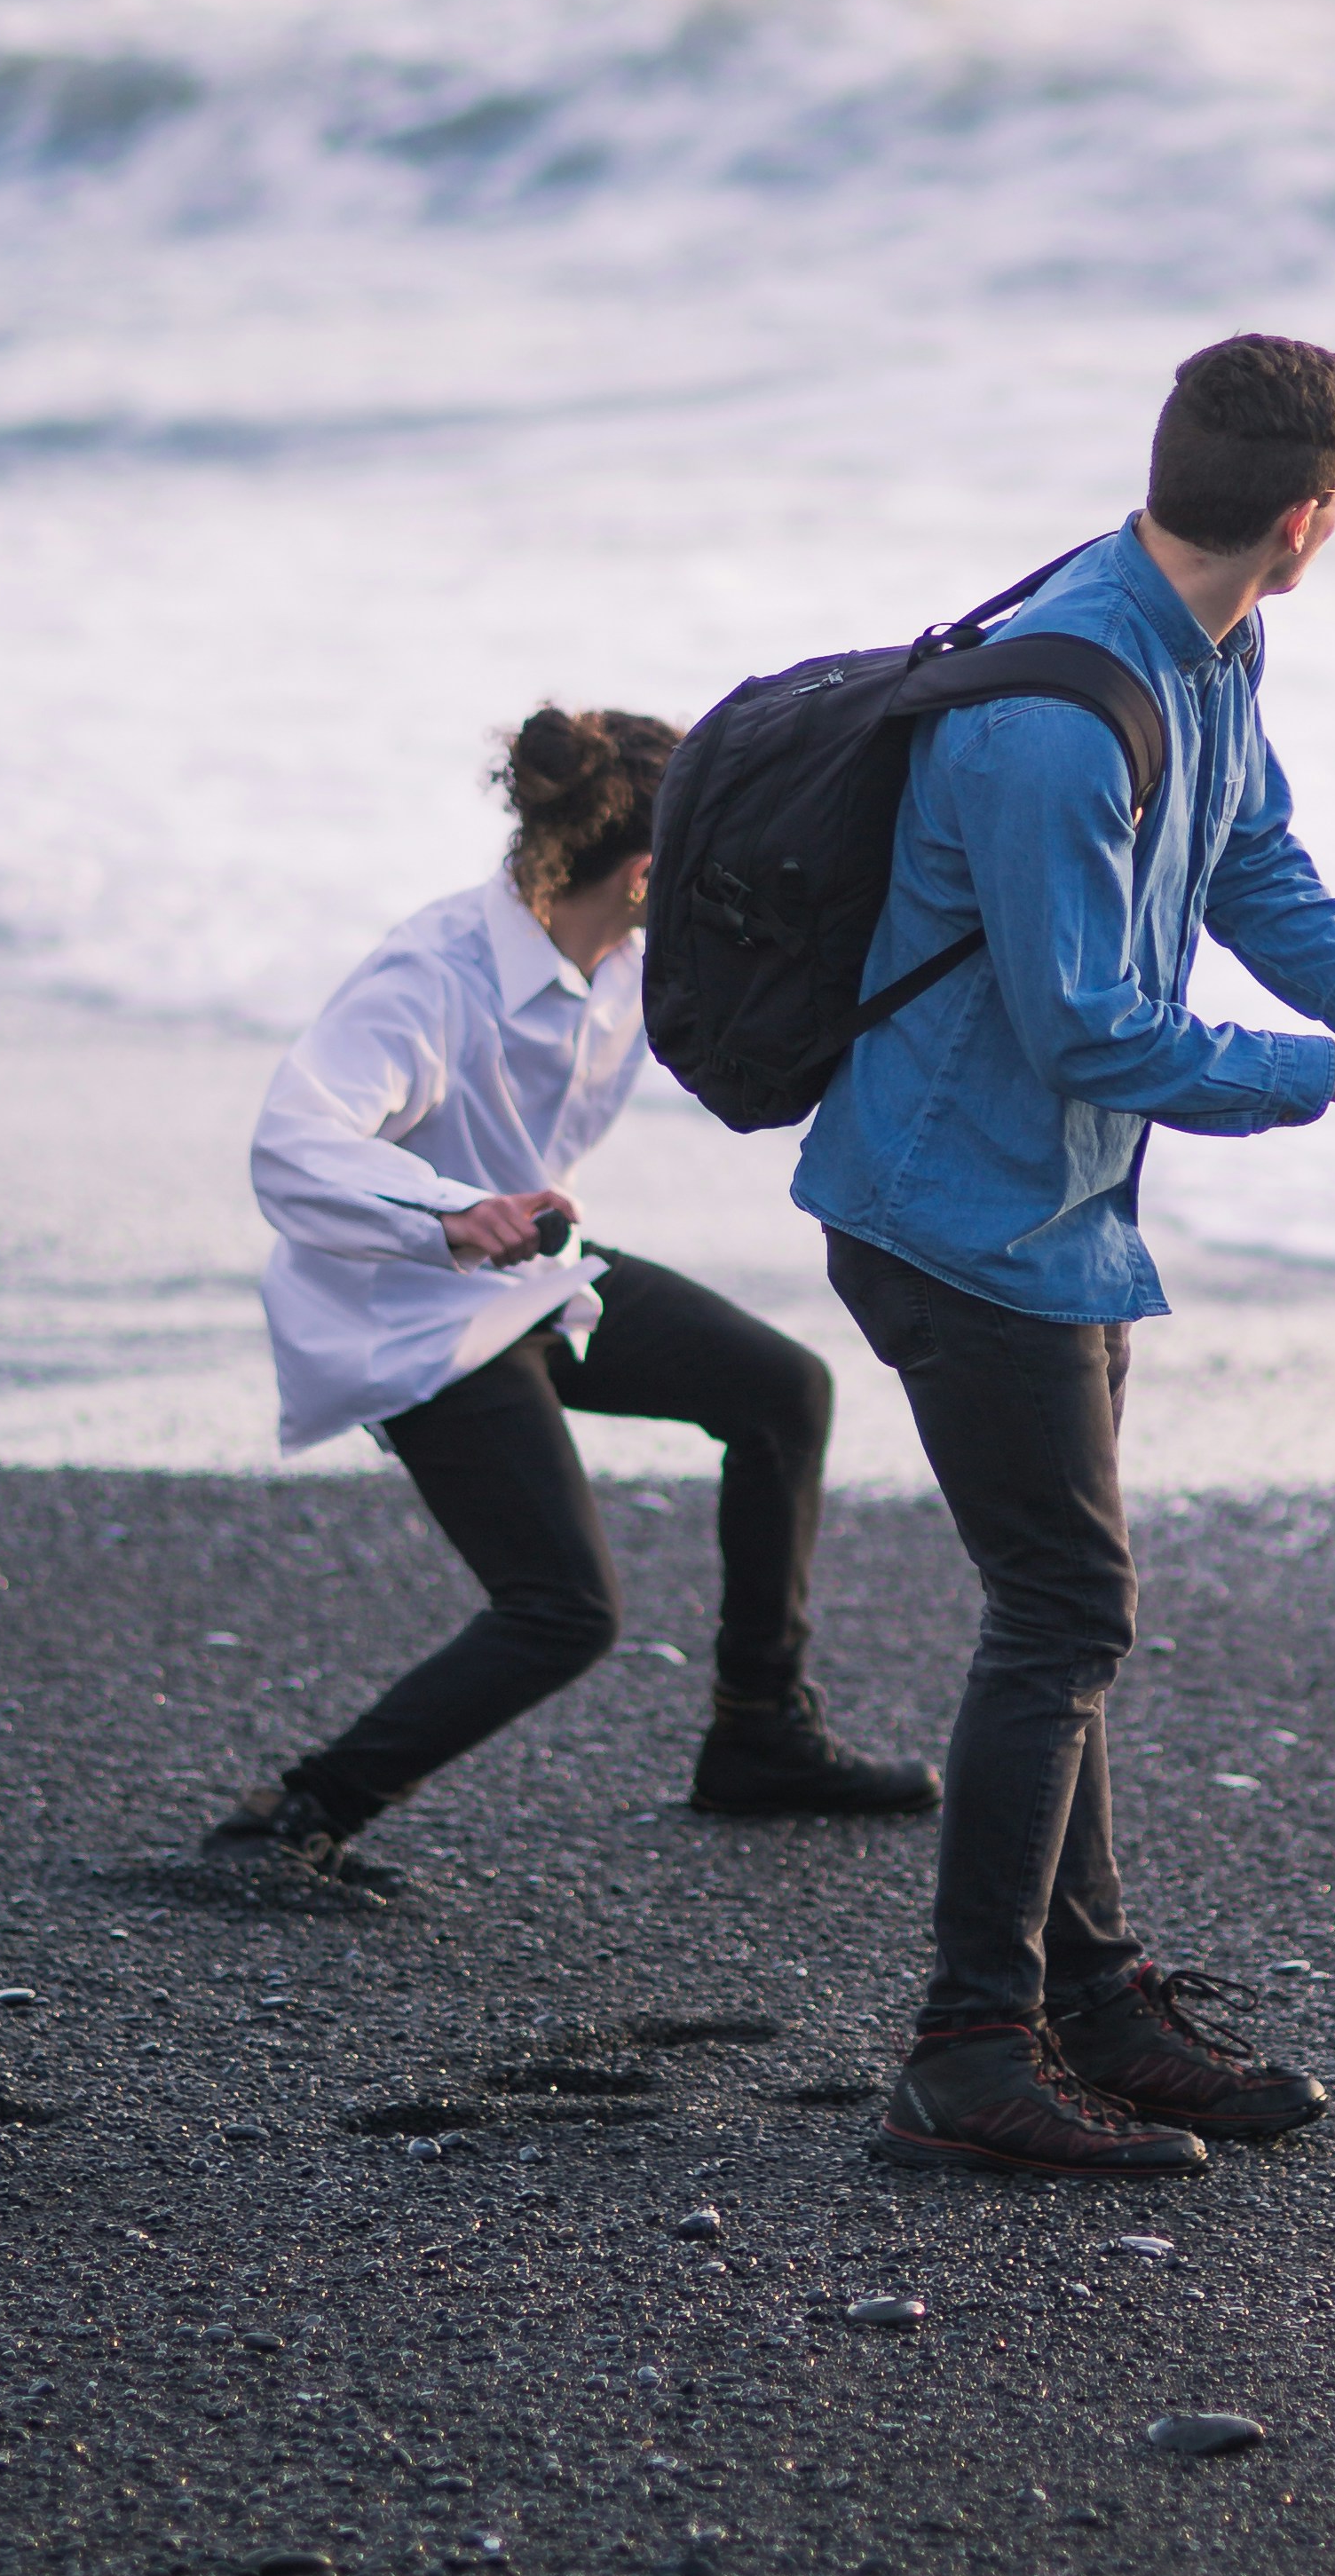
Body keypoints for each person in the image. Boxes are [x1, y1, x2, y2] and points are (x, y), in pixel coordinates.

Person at [798, 333, 1335, 2175]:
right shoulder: (1055, 716)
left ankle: (1095, 2002)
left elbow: (1251, 856)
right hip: (957, 1221)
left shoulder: (1207, 636)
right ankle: (967, 2050)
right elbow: (1089, 1031)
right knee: (1064, 1613)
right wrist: (1328, 1075)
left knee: (1066, 1610)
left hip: (1060, 1217)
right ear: (1304, 515)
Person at [213, 700, 937, 1879]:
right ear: (652, 872)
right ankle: (296, 1816)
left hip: (529, 1281)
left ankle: (761, 1735)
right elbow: (294, 1142)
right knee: (563, 1614)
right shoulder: (431, 975)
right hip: (405, 1313)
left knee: (782, 1391)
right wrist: (449, 1211)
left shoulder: (629, 951)